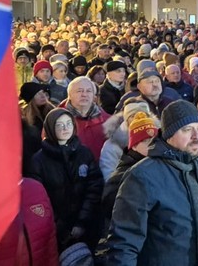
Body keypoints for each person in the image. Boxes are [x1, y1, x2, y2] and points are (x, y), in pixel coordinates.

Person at [105, 100, 198, 265]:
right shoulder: (143, 175)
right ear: (169, 135)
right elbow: (123, 244)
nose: (195, 137)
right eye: (187, 130)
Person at [29, 108, 103, 251]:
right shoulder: (39, 160)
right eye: (59, 125)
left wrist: (82, 222)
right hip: (54, 231)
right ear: (50, 128)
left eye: (69, 123)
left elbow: (94, 187)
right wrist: (59, 226)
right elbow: (39, 199)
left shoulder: (84, 153)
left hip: (86, 226)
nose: (65, 128)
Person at [101, 111, 157, 231]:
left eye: (154, 140)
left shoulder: (159, 165)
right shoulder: (122, 175)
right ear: (134, 145)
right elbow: (109, 206)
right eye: (146, 141)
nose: (152, 145)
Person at [62, 77, 111, 161]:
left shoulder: (108, 120)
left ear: (94, 96)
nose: (84, 94)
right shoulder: (57, 120)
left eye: (88, 91)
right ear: (69, 95)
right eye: (79, 91)